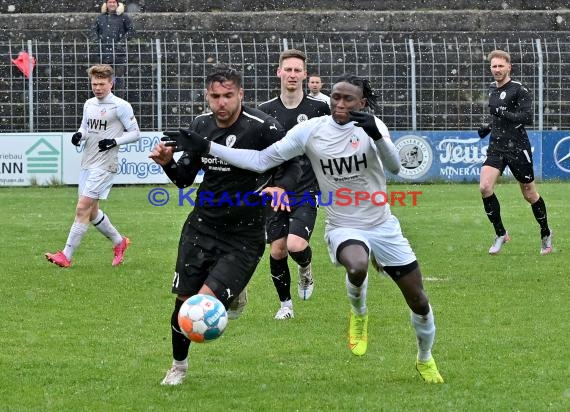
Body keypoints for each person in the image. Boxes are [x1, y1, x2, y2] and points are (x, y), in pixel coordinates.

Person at [175, 74, 444, 383]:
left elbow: (396, 167)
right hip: (343, 224)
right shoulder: (311, 131)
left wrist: (377, 137)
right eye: (336, 97)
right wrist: (209, 146)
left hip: (383, 225)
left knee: (419, 301)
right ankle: (359, 313)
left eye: (348, 99)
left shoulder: (373, 127)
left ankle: (425, 358)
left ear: (362, 103)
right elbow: (261, 160)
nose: (339, 103)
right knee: (356, 265)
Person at [149, 64, 299, 386]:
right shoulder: (200, 127)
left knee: (199, 304)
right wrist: (167, 164)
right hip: (201, 226)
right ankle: (178, 366)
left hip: (244, 234)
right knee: (182, 304)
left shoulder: (263, 128)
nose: (221, 103)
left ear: (241, 94)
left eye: (228, 95)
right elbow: (184, 179)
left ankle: (226, 293)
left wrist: (280, 187)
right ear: (207, 95)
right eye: (215, 96)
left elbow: (291, 165)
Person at [255, 49, 330, 320]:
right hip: (275, 190)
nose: (293, 74)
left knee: (296, 246)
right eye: (288, 69)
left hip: (306, 187)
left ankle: (306, 270)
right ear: (279, 72)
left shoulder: (319, 109)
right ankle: (285, 305)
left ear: (305, 75)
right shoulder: (264, 111)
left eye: (298, 70)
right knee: (277, 249)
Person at [45, 64, 140, 268]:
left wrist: (115, 141)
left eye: (102, 84)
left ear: (111, 83)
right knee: (92, 212)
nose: (97, 88)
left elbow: (135, 133)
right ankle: (119, 242)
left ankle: (66, 256)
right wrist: (80, 136)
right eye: (94, 84)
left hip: (105, 164)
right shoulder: (89, 103)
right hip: (88, 161)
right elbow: (85, 127)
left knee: (81, 208)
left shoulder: (120, 106)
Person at [477, 49, 553, 255]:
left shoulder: (520, 89)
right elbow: (498, 117)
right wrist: (488, 127)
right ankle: (501, 233)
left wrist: (504, 112)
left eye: (501, 66)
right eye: (494, 66)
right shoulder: (492, 89)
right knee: (485, 187)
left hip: (518, 147)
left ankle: (545, 232)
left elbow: (526, 117)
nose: (497, 70)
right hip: (497, 146)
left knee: (529, 194)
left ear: (509, 67)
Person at [90, 0, 135, 86]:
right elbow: (93, 31)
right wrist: (98, 43)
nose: (112, 4)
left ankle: (119, 99)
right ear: (106, 4)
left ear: (117, 4)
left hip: (119, 54)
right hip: (103, 54)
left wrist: (121, 43)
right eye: (109, 2)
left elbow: (131, 31)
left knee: (119, 80)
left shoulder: (124, 17)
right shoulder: (100, 17)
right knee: (103, 79)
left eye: (114, 2)